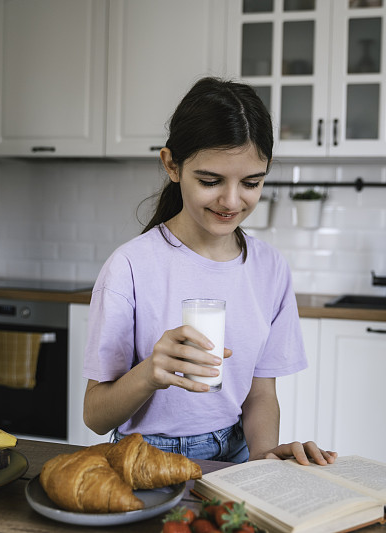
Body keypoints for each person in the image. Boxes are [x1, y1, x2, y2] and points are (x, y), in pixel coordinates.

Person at [82, 77, 336, 466]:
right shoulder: (131, 267)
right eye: (210, 180)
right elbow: (95, 416)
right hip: (144, 456)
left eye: (252, 182)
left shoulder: (269, 268)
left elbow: (260, 394)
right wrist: (151, 371)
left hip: (234, 454)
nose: (232, 201)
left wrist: (263, 457)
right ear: (172, 165)